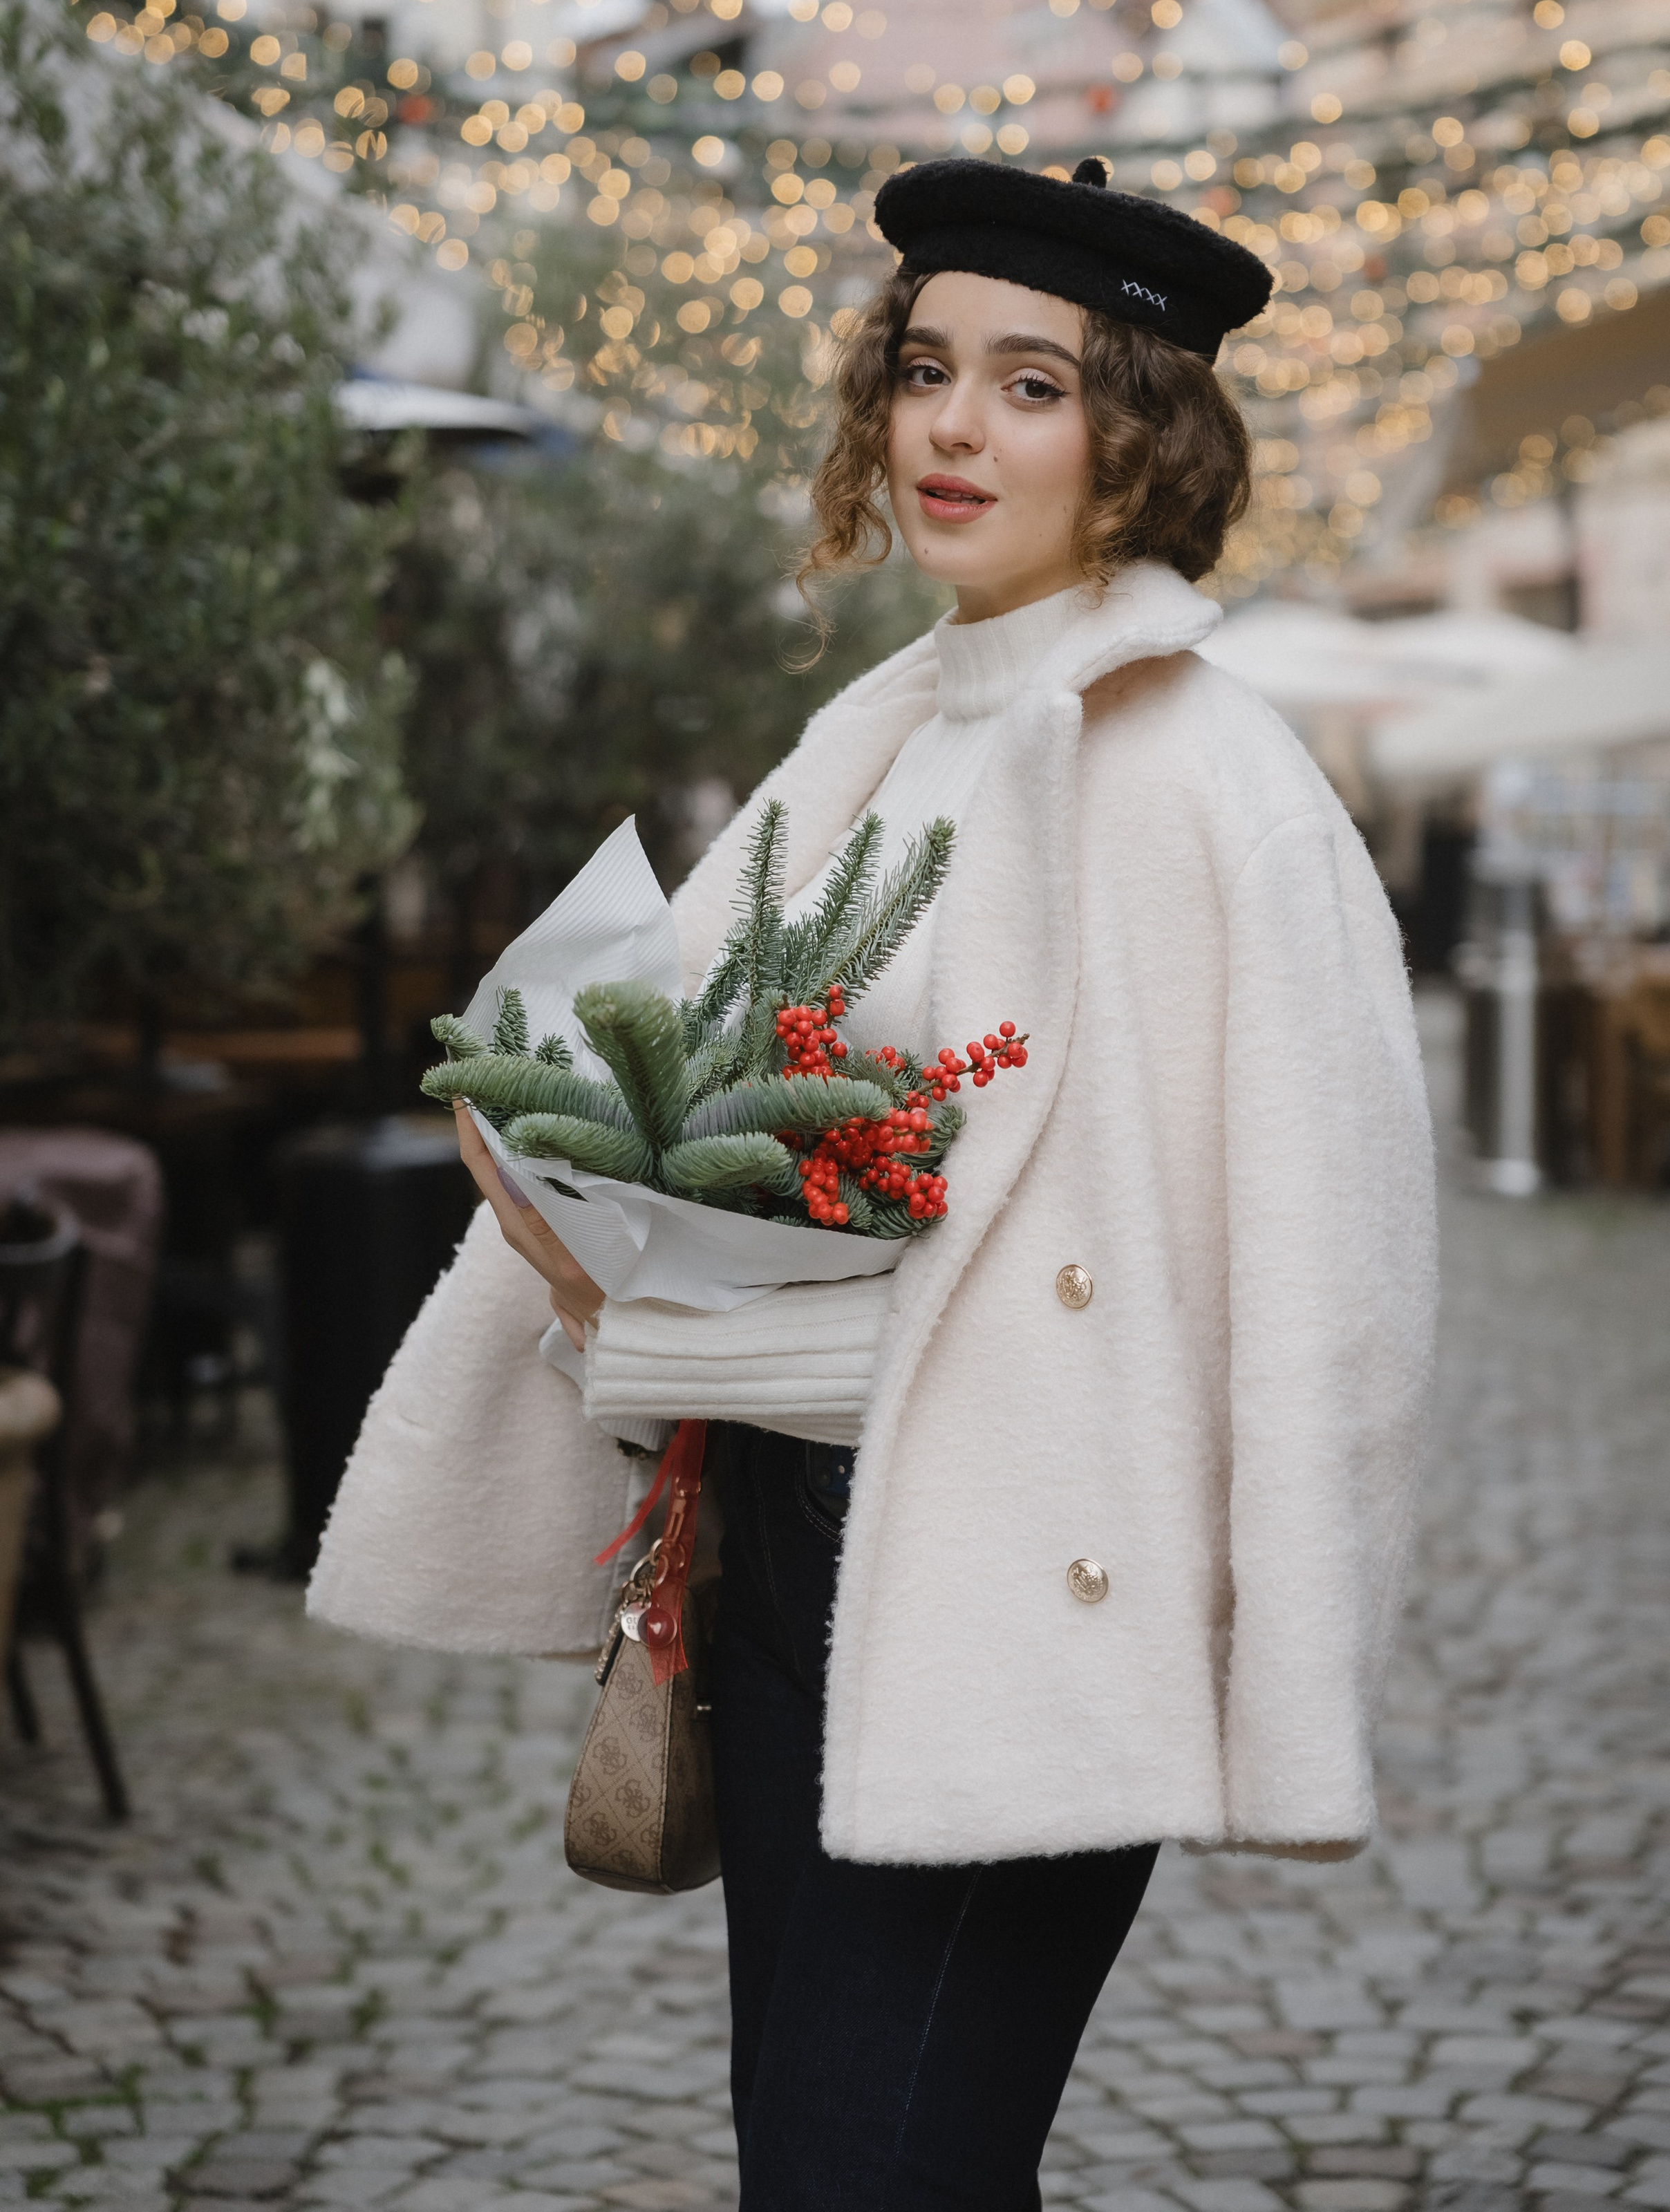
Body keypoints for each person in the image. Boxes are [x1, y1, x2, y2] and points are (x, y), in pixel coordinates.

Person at [310, 153, 1438, 2209]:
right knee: (824, 2166)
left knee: (874, 2170)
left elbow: (1332, 1290)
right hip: (790, 1554)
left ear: (1143, 438)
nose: (950, 426)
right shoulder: (876, 733)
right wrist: (593, 1205)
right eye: (927, 370)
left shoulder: (1224, 787)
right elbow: (713, 1081)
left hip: (1029, 1598)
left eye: (1032, 383)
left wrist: (1289, 1698)